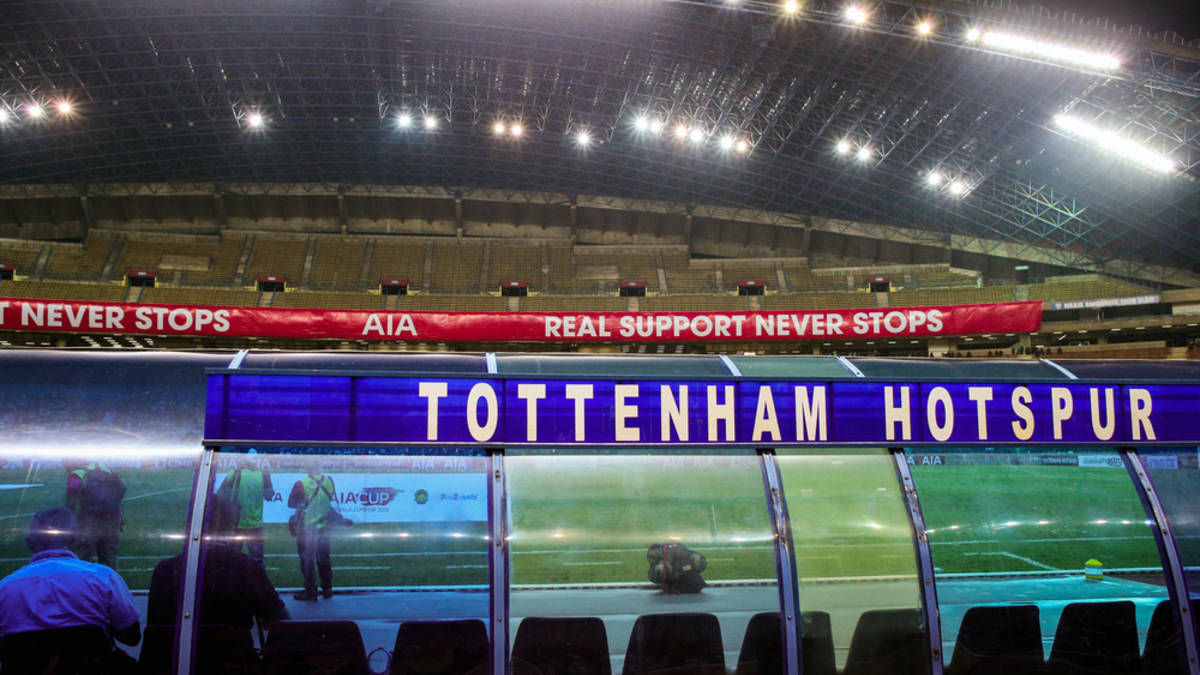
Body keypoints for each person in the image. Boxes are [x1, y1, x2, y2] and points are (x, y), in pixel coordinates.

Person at [147, 495, 289, 671]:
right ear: (231, 528)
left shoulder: (164, 569)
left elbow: (154, 633)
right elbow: (282, 621)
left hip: (178, 664)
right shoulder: (247, 567)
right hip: (236, 665)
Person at [0, 508, 140, 660]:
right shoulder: (104, 577)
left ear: (30, 543)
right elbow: (131, 637)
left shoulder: (5, 588)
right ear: (74, 538)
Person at [288, 461, 340, 601]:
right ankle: (327, 588)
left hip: (307, 528)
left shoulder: (301, 483)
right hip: (323, 527)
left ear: (307, 467)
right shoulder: (329, 481)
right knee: (324, 559)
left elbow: (291, 503)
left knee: (307, 561)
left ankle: (310, 591)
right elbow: (329, 501)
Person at [64, 460, 126, 570]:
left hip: (88, 521)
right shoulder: (105, 468)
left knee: (81, 557)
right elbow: (122, 487)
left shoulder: (77, 475)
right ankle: (109, 580)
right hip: (112, 521)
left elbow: (71, 503)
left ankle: (83, 580)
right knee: (109, 558)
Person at [217, 450, 274, 565]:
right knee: (257, 560)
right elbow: (269, 495)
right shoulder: (263, 474)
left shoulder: (235, 473)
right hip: (254, 524)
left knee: (232, 559)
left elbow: (221, 493)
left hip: (237, 523)